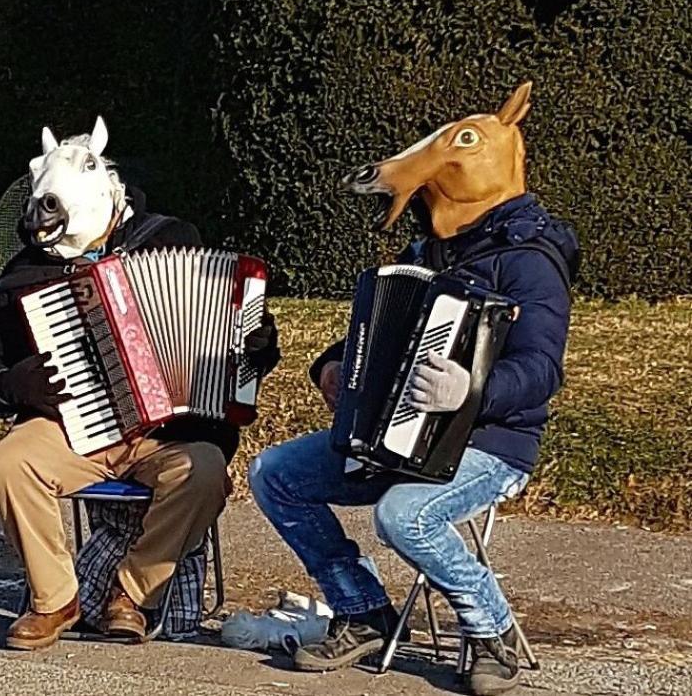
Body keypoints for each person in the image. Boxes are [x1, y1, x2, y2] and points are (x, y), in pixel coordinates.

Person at [247, 83, 577, 695]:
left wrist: (470, 391)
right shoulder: (426, 250)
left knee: (405, 516)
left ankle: (491, 631)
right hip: (394, 435)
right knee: (275, 474)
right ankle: (362, 609)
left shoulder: (529, 258)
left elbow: (542, 370)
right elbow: (378, 328)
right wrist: (332, 366)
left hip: (492, 444)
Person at [0, 119, 280, 650]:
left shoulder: (172, 242)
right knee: (11, 463)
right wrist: (12, 383)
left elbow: (232, 342)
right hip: (72, 430)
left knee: (202, 472)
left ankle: (131, 597)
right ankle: (55, 599)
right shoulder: (27, 273)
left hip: (168, 433)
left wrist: (255, 345)